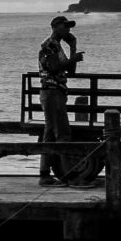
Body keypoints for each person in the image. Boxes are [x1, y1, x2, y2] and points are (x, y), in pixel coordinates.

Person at [37, 16, 83, 181]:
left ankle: (44, 175)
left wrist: (73, 48)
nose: (68, 30)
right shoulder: (49, 45)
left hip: (56, 92)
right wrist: (73, 59)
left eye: (69, 28)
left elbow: (71, 72)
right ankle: (70, 175)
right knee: (63, 133)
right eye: (65, 27)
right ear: (55, 27)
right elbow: (55, 67)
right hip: (51, 91)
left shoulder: (59, 47)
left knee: (49, 134)